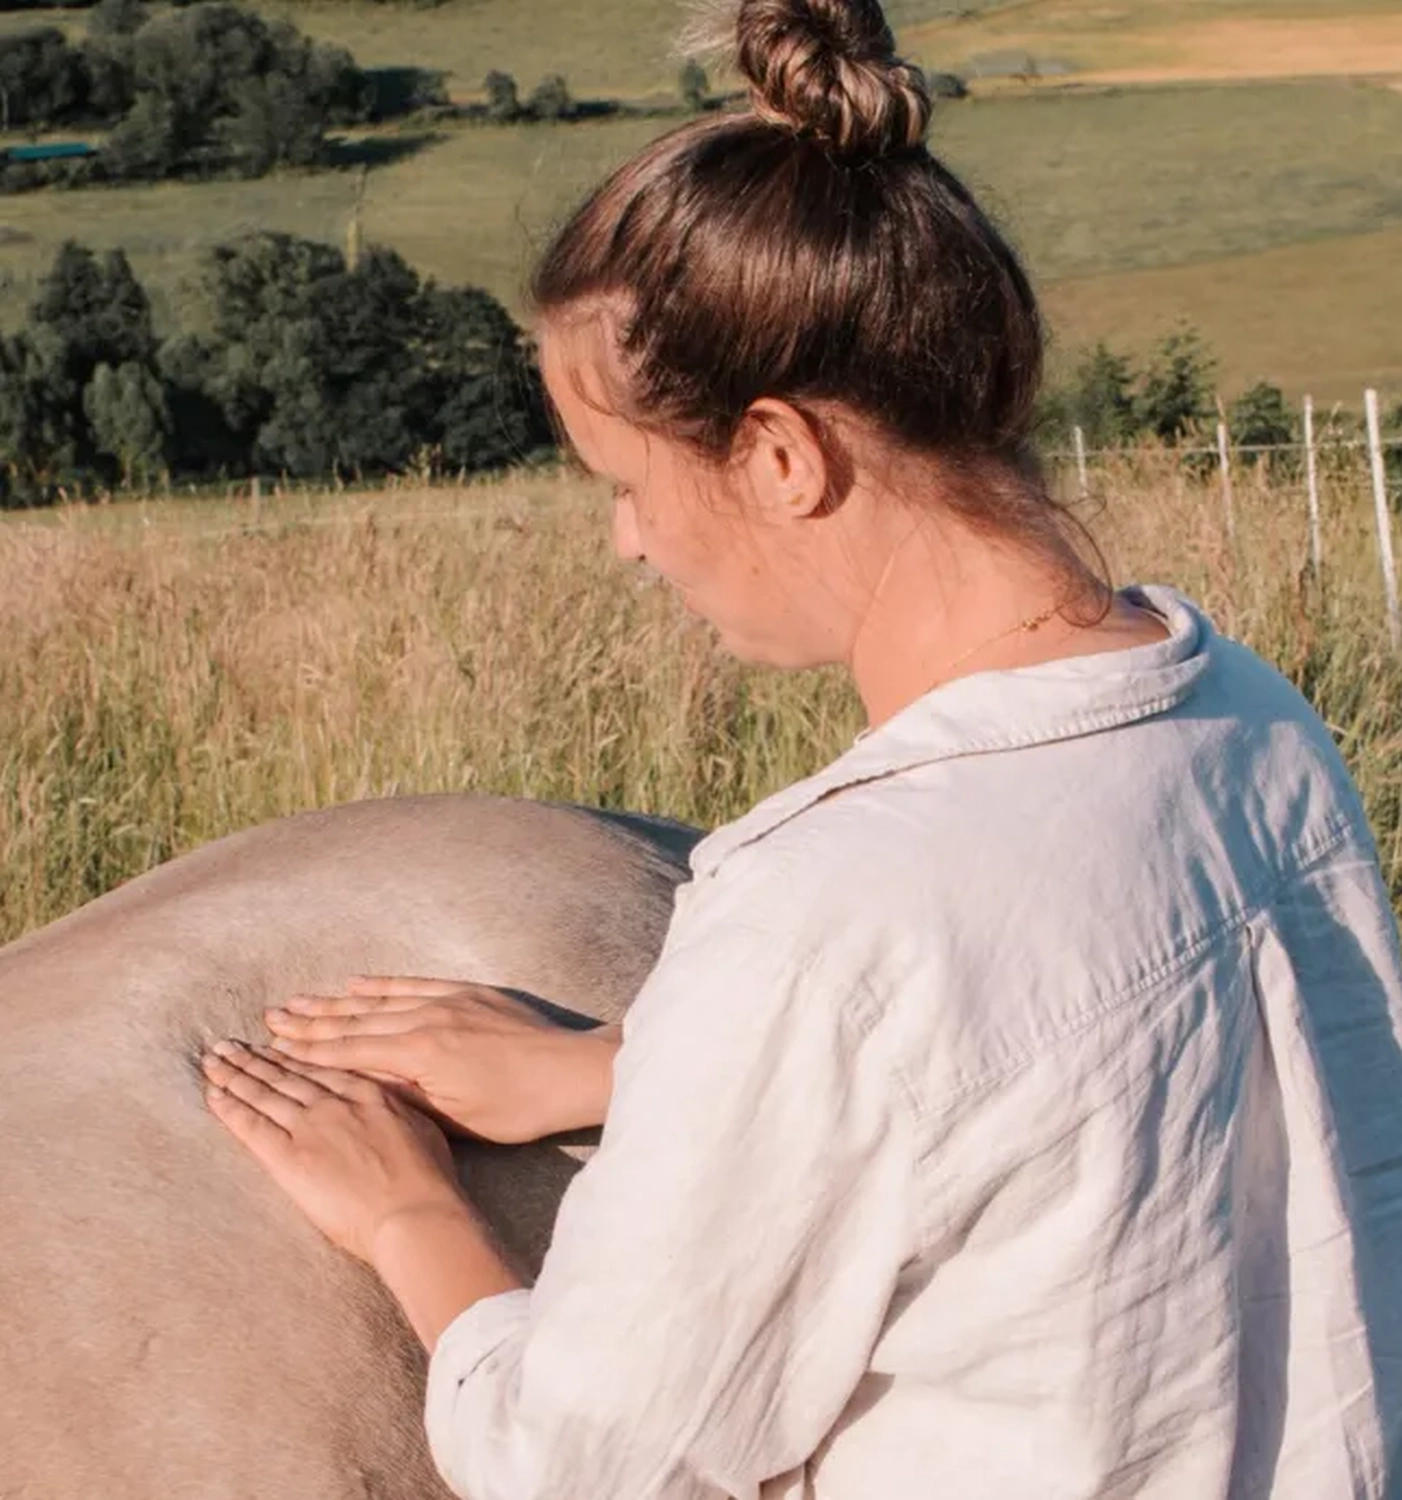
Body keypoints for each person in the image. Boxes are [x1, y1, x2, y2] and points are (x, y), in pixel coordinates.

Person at [201, 0, 1402, 1494]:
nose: (629, 546)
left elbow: (579, 1458)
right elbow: (1067, 1102)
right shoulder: (1246, 714)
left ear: (778, 457)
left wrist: (407, 1218)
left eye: (626, 481)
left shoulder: (826, 916)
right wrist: (632, 1072)